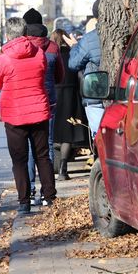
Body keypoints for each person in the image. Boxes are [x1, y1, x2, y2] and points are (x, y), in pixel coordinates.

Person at [0, 17, 57, 213]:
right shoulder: (39, 53)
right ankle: (49, 197)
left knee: (19, 160)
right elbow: (41, 73)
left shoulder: (2, 59)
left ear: (8, 35)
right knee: (42, 156)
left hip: (14, 114)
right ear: (24, 33)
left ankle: (24, 201)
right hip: (39, 110)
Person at [22, 8, 64, 205]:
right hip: (48, 101)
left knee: (28, 148)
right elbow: (60, 76)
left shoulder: (20, 46)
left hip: (25, 101)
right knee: (45, 146)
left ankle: (29, 191)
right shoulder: (53, 47)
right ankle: (48, 194)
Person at [51, 28, 88, 180]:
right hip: (71, 95)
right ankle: (63, 169)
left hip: (55, 95)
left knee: (54, 133)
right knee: (68, 134)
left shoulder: (52, 56)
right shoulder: (73, 55)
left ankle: (53, 164)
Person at [64, 0, 103, 139]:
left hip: (96, 94)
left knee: (99, 136)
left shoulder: (88, 39)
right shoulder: (127, 32)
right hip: (124, 93)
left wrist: (74, 46)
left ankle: (100, 159)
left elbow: (73, 63)